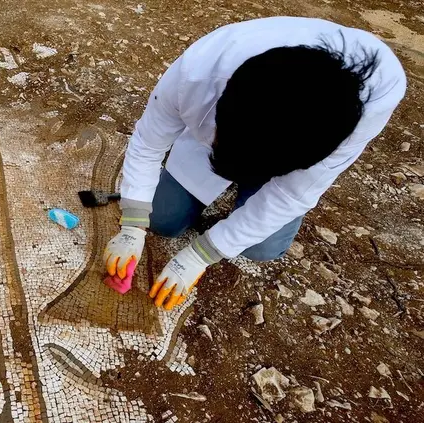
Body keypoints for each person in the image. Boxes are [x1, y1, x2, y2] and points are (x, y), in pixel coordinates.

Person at [102, 16, 407, 310]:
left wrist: (199, 256)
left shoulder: (367, 108)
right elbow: (148, 142)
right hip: (239, 122)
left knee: (262, 247)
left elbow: (291, 195)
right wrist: (132, 223)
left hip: (287, 145)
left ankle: (252, 178)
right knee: (161, 219)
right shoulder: (201, 69)